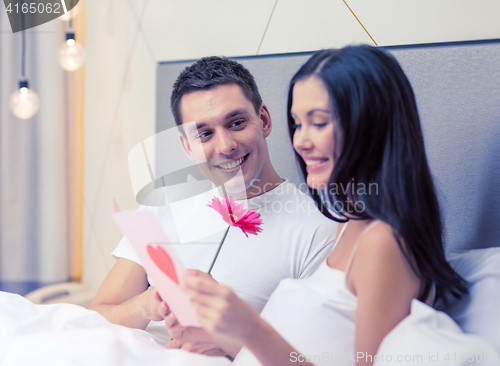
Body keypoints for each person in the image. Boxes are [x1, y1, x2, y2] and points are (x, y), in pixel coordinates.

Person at [179, 45, 468, 365]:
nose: (300, 141)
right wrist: (231, 339)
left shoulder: (382, 243)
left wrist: (251, 329)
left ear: (368, 125)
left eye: (318, 123)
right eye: (298, 123)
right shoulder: (349, 225)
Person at [89, 56, 337, 357]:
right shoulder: (164, 203)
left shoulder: (318, 231)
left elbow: (314, 359)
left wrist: (229, 343)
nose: (225, 146)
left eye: (236, 123)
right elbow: (98, 316)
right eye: (204, 134)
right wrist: (148, 303)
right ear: (186, 147)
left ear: (265, 120)